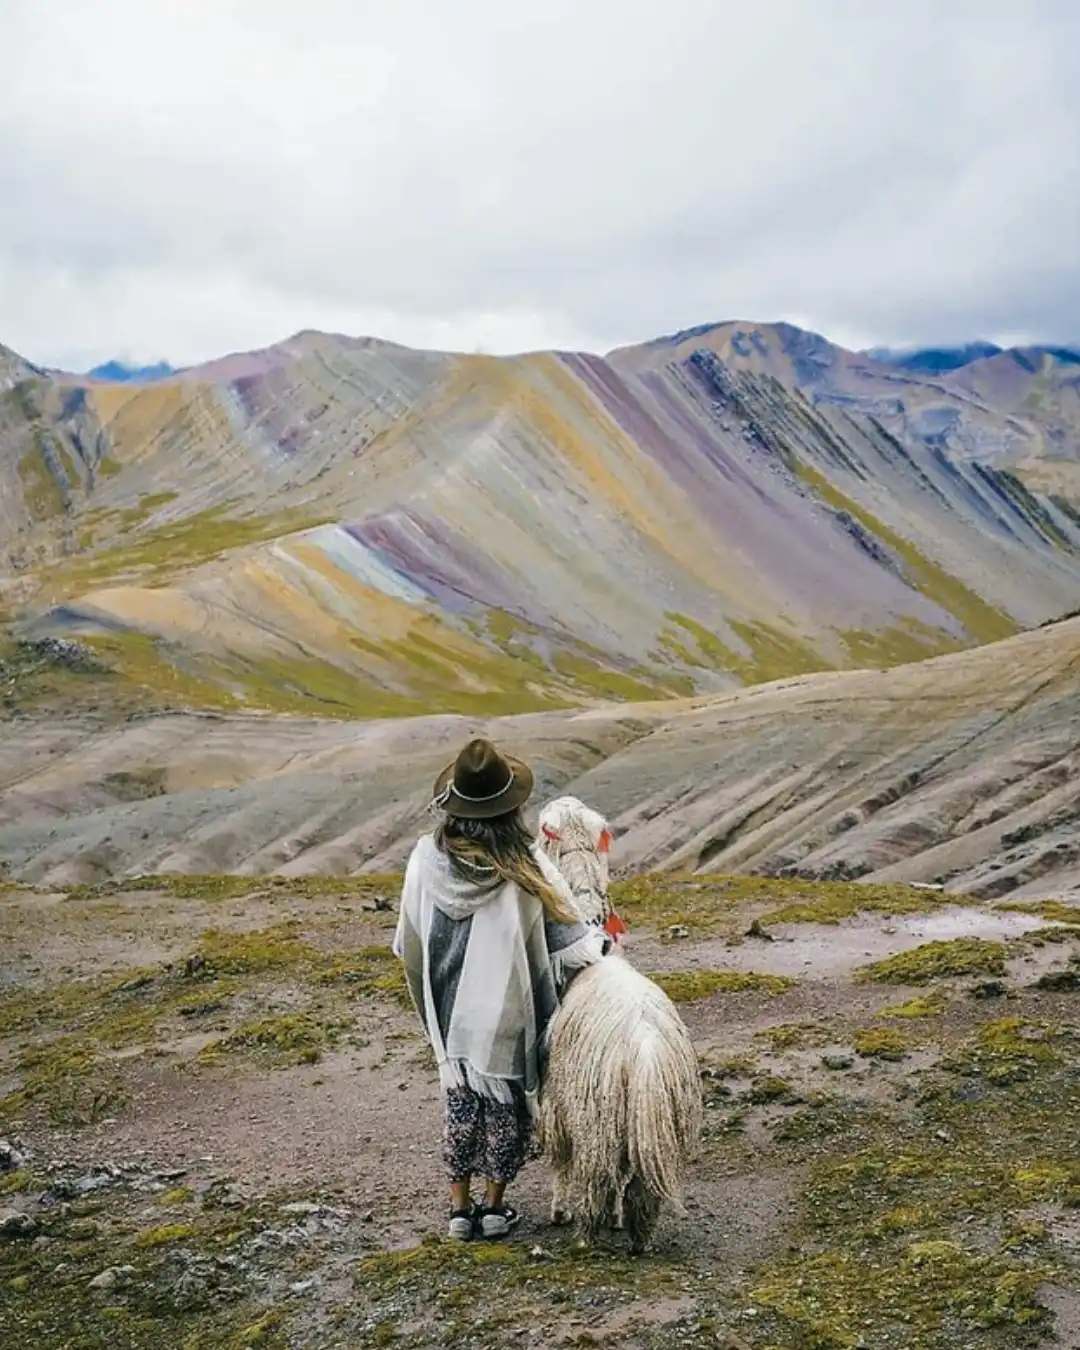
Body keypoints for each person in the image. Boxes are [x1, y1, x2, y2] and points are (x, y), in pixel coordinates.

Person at [393, 737, 609, 1242]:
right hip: (506, 1013)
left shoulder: (425, 860)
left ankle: (458, 1211)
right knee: (505, 1111)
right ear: (509, 809)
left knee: (460, 1104)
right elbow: (571, 938)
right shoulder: (526, 865)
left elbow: (409, 941)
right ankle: (493, 1209)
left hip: (451, 1011)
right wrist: (603, 955)